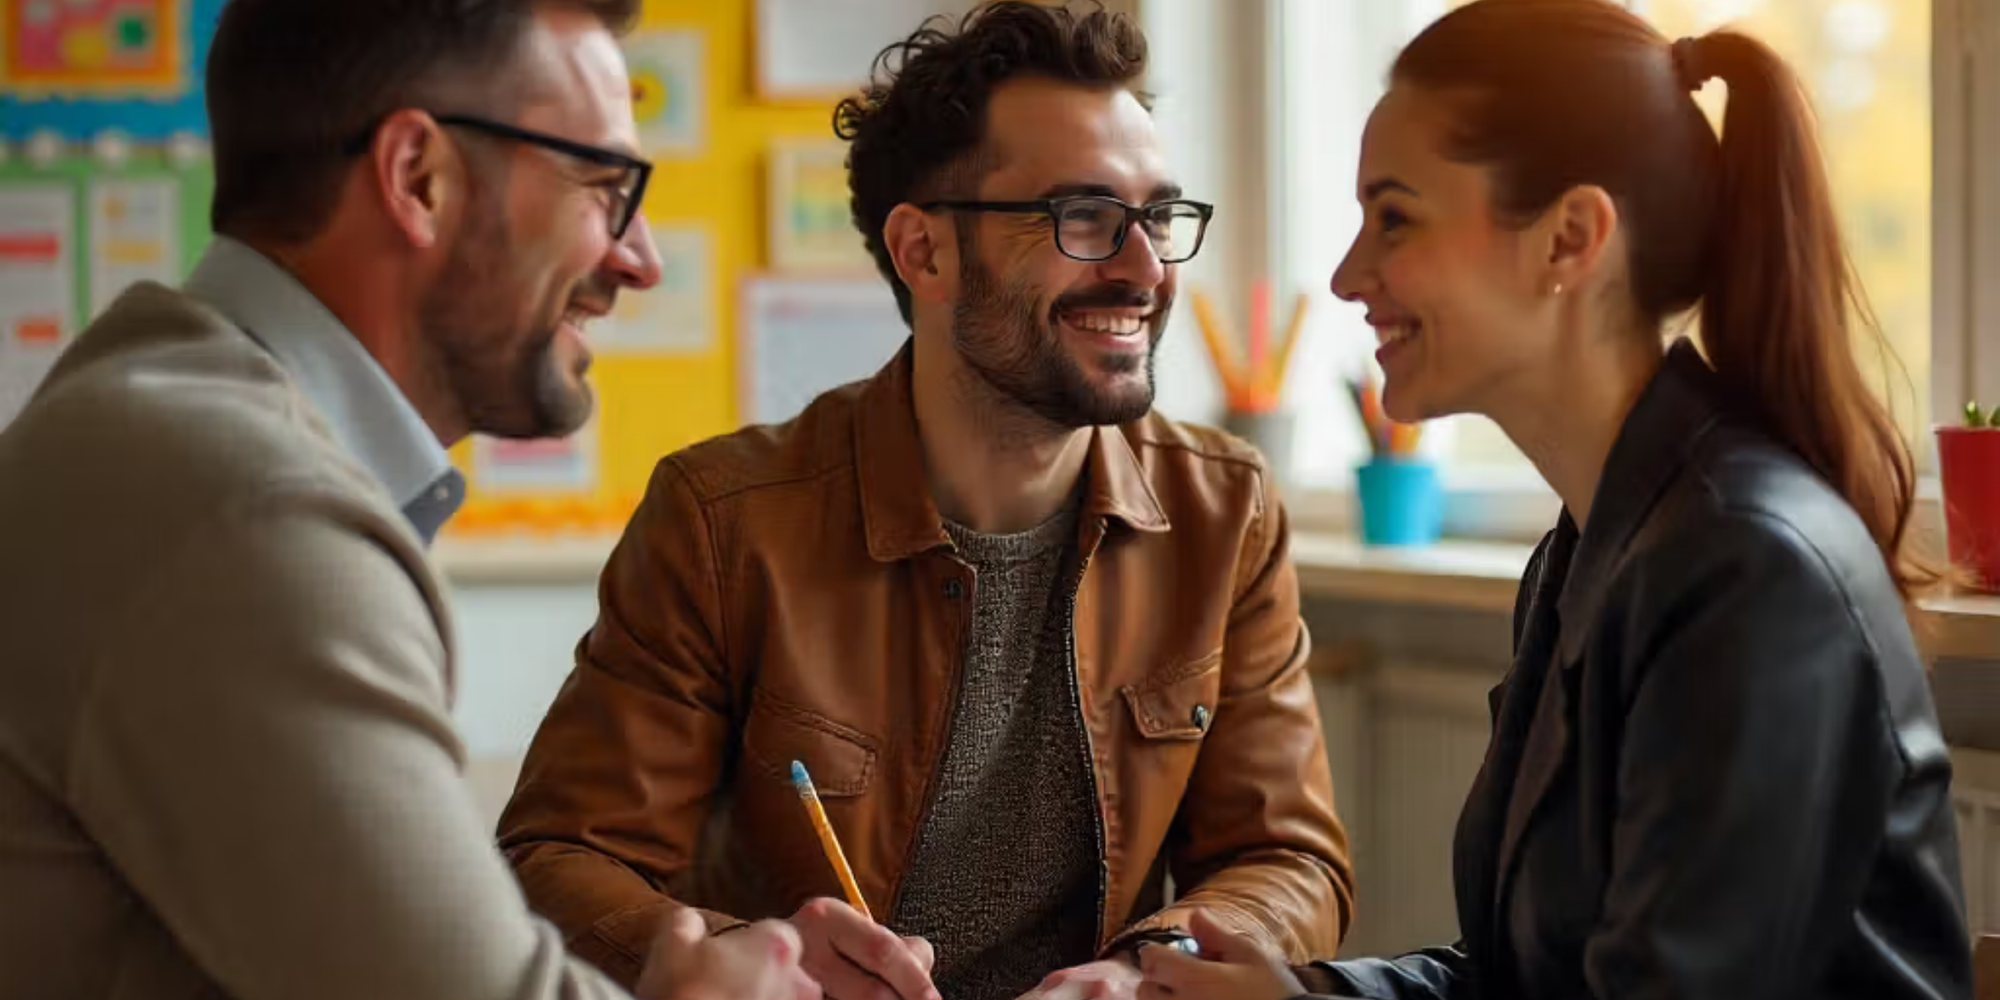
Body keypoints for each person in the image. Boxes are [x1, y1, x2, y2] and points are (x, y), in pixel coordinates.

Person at [495, 4, 1354, 1000]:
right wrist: (758, 961)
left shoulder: (1226, 511)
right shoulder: (722, 519)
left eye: (1157, 218)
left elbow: (1291, 862)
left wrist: (1142, 975)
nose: (1146, 269)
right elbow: (557, 862)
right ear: (923, 252)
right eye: (1084, 218)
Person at [1135, 1, 1973, 999]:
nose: (1348, 273)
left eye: (1393, 217)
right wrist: (1302, 994)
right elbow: (1524, 978)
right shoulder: (1590, 551)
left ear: (1569, 238)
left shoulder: (1749, 569)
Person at [0, 1, 817, 999]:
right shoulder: (246, 509)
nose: (638, 258)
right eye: (606, 186)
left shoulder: (166, 428)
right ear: (416, 177)